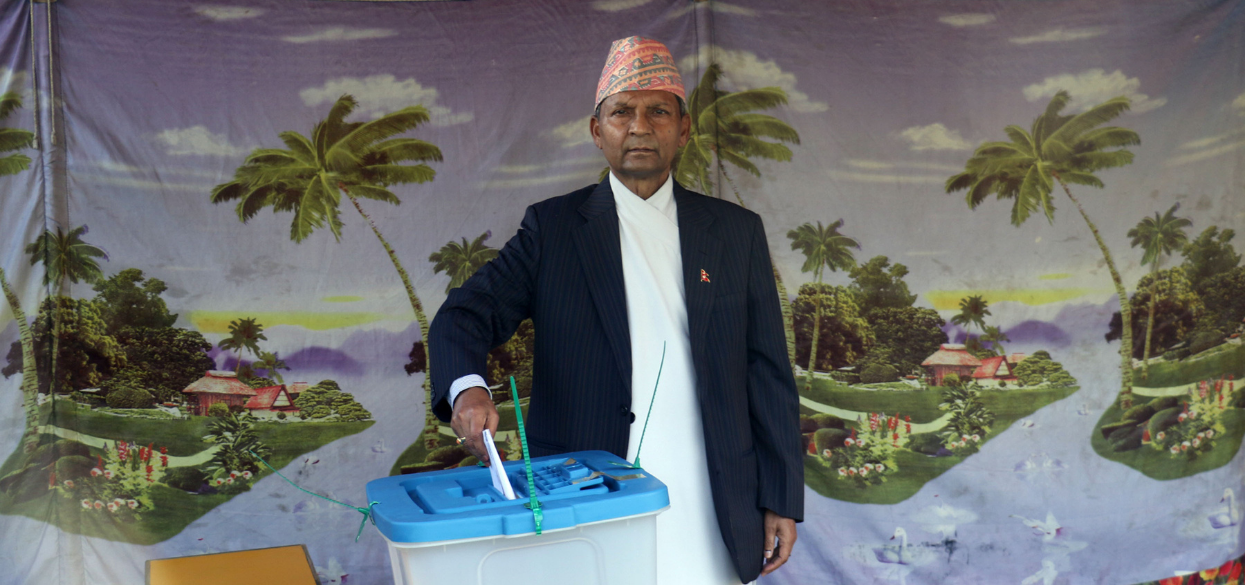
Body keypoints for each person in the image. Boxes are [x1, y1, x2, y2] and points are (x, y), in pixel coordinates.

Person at [428, 36, 802, 584]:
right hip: (589, 489)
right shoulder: (553, 229)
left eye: (658, 111)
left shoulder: (735, 232)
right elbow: (464, 314)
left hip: (715, 490)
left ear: (684, 128)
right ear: (596, 130)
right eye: (622, 112)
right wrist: (469, 388)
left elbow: (768, 373)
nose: (640, 126)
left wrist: (780, 497)